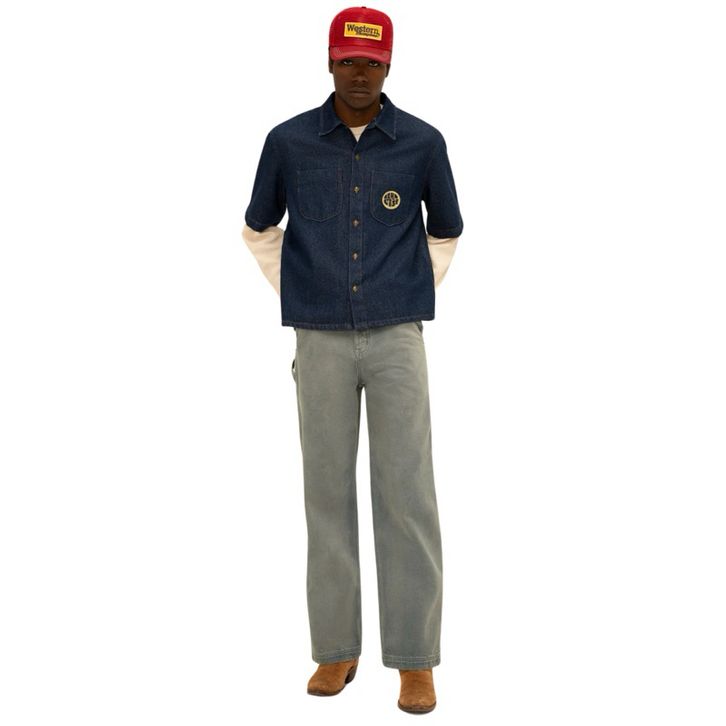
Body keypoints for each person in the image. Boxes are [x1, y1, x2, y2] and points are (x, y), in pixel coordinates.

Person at [241, 6, 463, 715]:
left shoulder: (423, 143)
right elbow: (257, 228)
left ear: (389, 65)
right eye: (347, 60)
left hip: (398, 340)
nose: (359, 74)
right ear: (329, 62)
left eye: (371, 62)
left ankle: (415, 661)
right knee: (326, 493)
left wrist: (407, 291)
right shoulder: (288, 142)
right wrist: (302, 289)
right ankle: (336, 649)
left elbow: (446, 232)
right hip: (320, 340)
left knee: (408, 496)